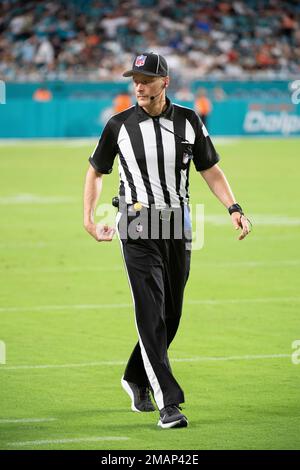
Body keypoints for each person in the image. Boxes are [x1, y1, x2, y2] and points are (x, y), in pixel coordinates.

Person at [83, 52, 251, 429]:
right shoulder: (119, 125)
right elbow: (95, 172)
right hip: (137, 223)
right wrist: (89, 219)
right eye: (134, 79)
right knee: (149, 312)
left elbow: (210, 168)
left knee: (170, 315)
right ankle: (169, 404)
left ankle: (135, 376)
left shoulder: (190, 121)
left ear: (165, 82)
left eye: (146, 78)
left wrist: (233, 207)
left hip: (178, 224)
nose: (138, 85)